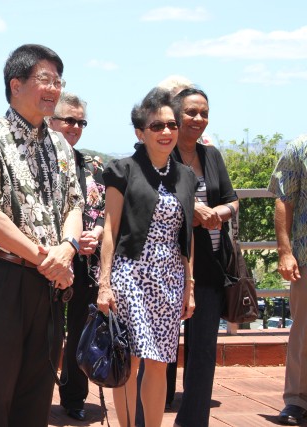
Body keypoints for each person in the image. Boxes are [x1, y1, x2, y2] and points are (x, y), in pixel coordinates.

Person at [0, 43, 84, 427]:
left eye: (58, 81)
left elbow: (74, 205)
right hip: (1, 277)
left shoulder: (59, 143)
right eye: (44, 79)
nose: (54, 88)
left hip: (47, 281)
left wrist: (67, 248)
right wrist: (47, 259)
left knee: (37, 387)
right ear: (16, 84)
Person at [97, 87, 196, 427]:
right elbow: (109, 229)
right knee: (129, 360)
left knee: (160, 362)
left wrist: (190, 286)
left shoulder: (186, 177)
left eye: (171, 125)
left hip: (170, 278)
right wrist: (104, 284)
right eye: (157, 126)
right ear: (141, 132)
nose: (166, 132)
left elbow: (187, 236)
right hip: (130, 275)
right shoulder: (122, 170)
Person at [171, 88, 238, 427]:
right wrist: (190, 209)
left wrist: (218, 213)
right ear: (174, 114)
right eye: (191, 112)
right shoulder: (160, 156)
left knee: (203, 354)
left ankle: (194, 421)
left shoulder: (212, 156)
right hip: (167, 268)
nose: (198, 119)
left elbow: (233, 200)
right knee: (157, 352)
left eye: (204, 113)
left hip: (209, 267)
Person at [49, 92, 105, 421]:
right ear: (50, 121)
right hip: (49, 263)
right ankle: (36, 394)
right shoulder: (35, 164)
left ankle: (74, 398)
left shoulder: (92, 165)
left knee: (81, 334)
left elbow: (107, 211)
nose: (75, 126)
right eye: (69, 119)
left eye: (81, 121)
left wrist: (95, 235)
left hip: (86, 266)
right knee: (48, 334)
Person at [269, 134, 307, 425]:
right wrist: (285, 251)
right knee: (304, 331)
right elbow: (284, 200)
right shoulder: (299, 147)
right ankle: (296, 400)